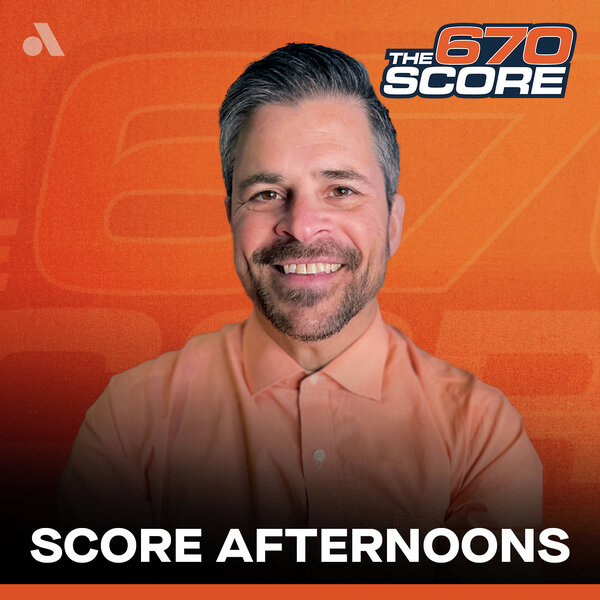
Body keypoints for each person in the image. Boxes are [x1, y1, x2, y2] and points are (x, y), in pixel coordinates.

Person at [59, 44, 541, 544]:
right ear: (231, 218)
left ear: (393, 224)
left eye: (340, 190)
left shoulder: (483, 432)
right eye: (266, 194)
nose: (303, 226)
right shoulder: (129, 418)